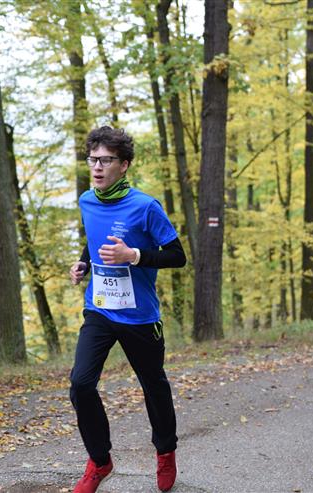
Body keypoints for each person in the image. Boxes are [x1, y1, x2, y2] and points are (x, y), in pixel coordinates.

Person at [69, 126, 186, 493]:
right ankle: (99, 461)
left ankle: (165, 452)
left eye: (106, 160)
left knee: (153, 386)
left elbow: (177, 256)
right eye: (93, 160)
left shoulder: (145, 206)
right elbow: (94, 241)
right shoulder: (87, 201)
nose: (97, 167)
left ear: (124, 165)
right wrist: (84, 264)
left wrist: (133, 255)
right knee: (80, 384)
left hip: (139, 316)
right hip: (100, 309)